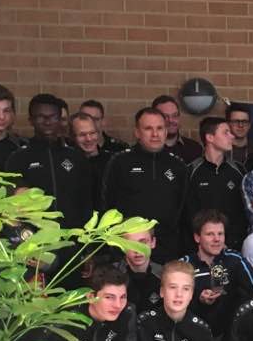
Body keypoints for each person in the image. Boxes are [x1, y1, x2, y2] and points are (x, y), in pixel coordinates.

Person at [102, 107, 187, 263]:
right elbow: (107, 204)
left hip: (167, 250)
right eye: (148, 128)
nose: (155, 134)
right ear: (137, 132)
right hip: (127, 248)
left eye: (160, 128)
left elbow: (182, 208)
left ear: (165, 131)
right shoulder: (120, 162)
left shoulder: (178, 165)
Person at [5, 93, 92, 229]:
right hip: (35, 236)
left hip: (73, 236)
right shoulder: (18, 158)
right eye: (41, 117)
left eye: (53, 117)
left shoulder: (75, 156)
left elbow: (86, 200)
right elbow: (13, 204)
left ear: (60, 119)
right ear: (31, 120)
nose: (47, 122)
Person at [182, 210, 253, 337]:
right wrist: (199, 299)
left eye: (220, 234)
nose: (217, 239)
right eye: (210, 234)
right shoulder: (184, 265)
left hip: (229, 336)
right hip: (192, 335)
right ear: (197, 237)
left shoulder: (235, 259)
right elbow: (175, 304)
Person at [185, 117, 247, 250]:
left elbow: (243, 211)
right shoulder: (191, 171)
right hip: (199, 248)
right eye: (226, 132)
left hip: (233, 246)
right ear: (210, 137)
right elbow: (188, 212)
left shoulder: (239, 170)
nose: (232, 136)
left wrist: (230, 242)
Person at [69, 112, 112, 211]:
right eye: (82, 135)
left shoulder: (112, 161)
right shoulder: (66, 164)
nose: (88, 139)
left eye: (92, 133)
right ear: (72, 137)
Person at [120, 228, 162, 313]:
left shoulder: (165, 276)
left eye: (143, 242)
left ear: (153, 242)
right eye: (131, 244)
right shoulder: (110, 275)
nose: (137, 250)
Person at [152, 94, 202, 163]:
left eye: (175, 115)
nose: (171, 120)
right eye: (165, 116)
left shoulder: (195, 148)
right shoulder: (146, 149)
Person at [225, 102, 253, 168]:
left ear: (249, 125)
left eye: (244, 121)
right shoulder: (221, 152)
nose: (240, 125)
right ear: (227, 124)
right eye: (236, 121)